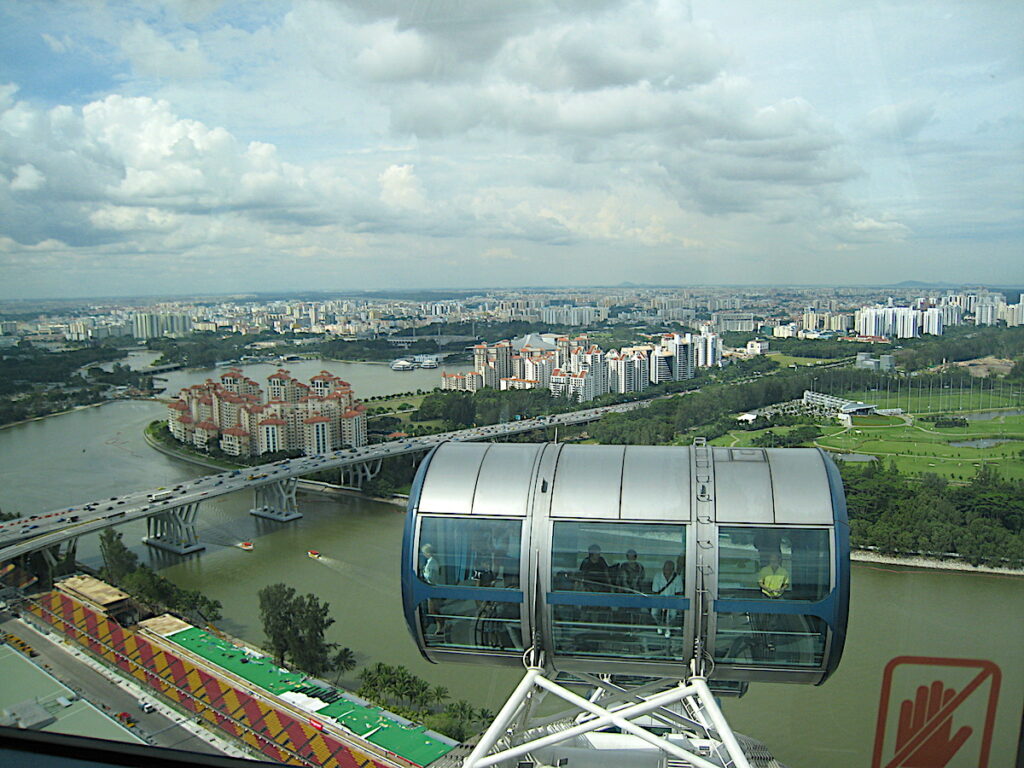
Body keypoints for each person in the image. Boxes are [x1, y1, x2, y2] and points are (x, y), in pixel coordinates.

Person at [650, 559, 680, 637]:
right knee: (654, 613)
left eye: (670, 569)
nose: (667, 571)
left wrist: (671, 602)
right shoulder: (657, 576)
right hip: (659, 599)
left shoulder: (677, 578)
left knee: (673, 614)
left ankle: (668, 627)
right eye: (666, 569)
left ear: (673, 569)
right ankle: (660, 625)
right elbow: (655, 591)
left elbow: (678, 593)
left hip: (672, 600)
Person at [421, 543, 445, 635]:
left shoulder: (432, 562)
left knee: (433, 610)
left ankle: (441, 625)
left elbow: (432, 577)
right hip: (431, 588)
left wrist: (424, 573)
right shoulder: (431, 562)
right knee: (434, 609)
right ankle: (440, 626)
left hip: (432, 588)